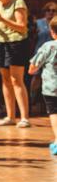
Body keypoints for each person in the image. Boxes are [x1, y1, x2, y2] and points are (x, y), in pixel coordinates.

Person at [0, 0, 31, 128]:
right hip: (0, 42)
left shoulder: (18, 2)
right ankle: (10, 116)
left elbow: (22, 26)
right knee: (5, 79)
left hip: (16, 42)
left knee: (16, 80)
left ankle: (24, 117)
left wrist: (2, 19)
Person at [29, 17, 57, 155]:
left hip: (51, 88)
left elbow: (33, 67)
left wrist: (33, 69)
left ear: (52, 32)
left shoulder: (48, 46)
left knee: (54, 113)